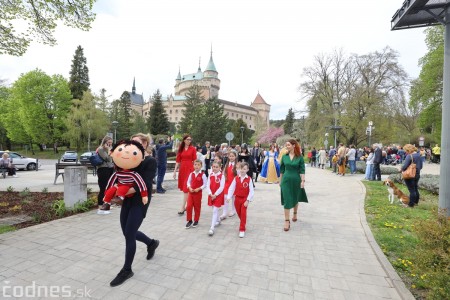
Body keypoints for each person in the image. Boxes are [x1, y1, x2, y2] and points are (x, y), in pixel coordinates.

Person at [109, 132, 158, 287]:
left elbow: (141, 184)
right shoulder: (129, 160)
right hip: (127, 201)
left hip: (140, 201)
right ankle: (151, 243)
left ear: (144, 144)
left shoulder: (150, 161)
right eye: (131, 142)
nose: (132, 145)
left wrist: (119, 193)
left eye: (137, 143)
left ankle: (127, 270)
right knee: (127, 232)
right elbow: (118, 176)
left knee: (129, 233)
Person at [100, 140, 148, 211]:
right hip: (119, 186)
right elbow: (110, 182)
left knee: (123, 187)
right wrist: (106, 193)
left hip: (128, 187)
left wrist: (144, 195)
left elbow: (141, 184)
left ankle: (120, 199)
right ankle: (107, 203)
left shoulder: (133, 174)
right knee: (112, 189)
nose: (126, 153)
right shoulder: (117, 173)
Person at [279, 139, 308, 232]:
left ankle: (295, 213)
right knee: (287, 200)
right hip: (286, 181)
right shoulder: (284, 157)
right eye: (286, 145)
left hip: (296, 180)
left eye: (288, 145)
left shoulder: (299, 157)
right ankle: (287, 221)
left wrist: (302, 181)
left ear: (293, 145)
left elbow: (302, 170)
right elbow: (282, 170)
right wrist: (280, 181)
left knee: (295, 198)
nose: (286, 146)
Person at [226, 162, 254, 238]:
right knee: (239, 214)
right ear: (239, 169)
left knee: (243, 213)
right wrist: (228, 197)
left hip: (244, 199)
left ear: (247, 170)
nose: (242, 170)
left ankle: (242, 229)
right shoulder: (236, 178)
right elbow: (231, 188)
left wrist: (248, 200)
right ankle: (243, 222)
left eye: (244, 169)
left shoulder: (249, 179)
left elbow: (251, 191)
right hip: (237, 199)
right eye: (241, 168)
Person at [173, 135, 197, 215]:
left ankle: (183, 207)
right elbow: (177, 161)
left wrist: (196, 171)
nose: (189, 141)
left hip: (190, 169)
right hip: (182, 170)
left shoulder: (193, 149)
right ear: (184, 140)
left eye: (190, 139)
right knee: (185, 189)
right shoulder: (181, 149)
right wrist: (175, 171)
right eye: (188, 139)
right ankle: (188, 205)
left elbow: (195, 161)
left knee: (186, 188)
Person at [185, 160, 207, 229]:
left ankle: (196, 220)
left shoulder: (203, 175)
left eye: (198, 165)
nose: (196, 166)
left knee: (197, 207)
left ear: (201, 166)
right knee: (189, 206)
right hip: (191, 193)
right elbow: (188, 182)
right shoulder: (191, 174)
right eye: (195, 164)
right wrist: (189, 187)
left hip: (198, 193)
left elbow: (205, 184)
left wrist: (199, 188)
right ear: (193, 165)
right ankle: (189, 220)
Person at [206, 161, 225, 236]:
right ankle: (218, 220)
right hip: (211, 195)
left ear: (220, 168)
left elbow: (222, 187)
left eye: (217, 167)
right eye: (214, 167)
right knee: (214, 208)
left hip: (218, 195)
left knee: (214, 210)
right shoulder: (210, 175)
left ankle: (212, 228)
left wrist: (215, 194)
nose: (215, 168)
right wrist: (210, 194)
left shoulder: (222, 176)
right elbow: (207, 185)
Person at [96, 136, 114, 208]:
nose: (110, 144)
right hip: (103, 169)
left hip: (109, 168)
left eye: (111, 143)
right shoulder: (100, 149)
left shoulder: (108, 149)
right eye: (108, 143)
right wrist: (109, 151)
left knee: (109, 187)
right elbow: (107, 159)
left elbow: (111, 159)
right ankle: (101, 204)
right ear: (105, 142)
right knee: (103, 187)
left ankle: (107, 203)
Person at [220, 150, 238, 220]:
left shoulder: (237, 165)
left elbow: (239, 174)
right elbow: (224, 173)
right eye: (230, 156)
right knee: (225, 198)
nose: (231, 157)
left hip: (234, 184)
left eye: (233, 156)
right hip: (227, 183)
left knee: (233, 198)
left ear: (235, 156)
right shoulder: (226, 164)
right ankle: (224, 212)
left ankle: (233, 210)